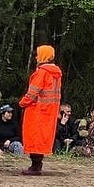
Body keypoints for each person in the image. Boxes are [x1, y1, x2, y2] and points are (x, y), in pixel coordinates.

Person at [18, 44, 63, 175]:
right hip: (50, 112)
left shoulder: (41, 73)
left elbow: (32, 93)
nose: (36, 57)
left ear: (43, 56)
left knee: (34, 138)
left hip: (37, 111)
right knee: (42, 138)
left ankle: (35, 166)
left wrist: (21, 103)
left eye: (38, 54)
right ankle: (37, 164)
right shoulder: (56, 74)